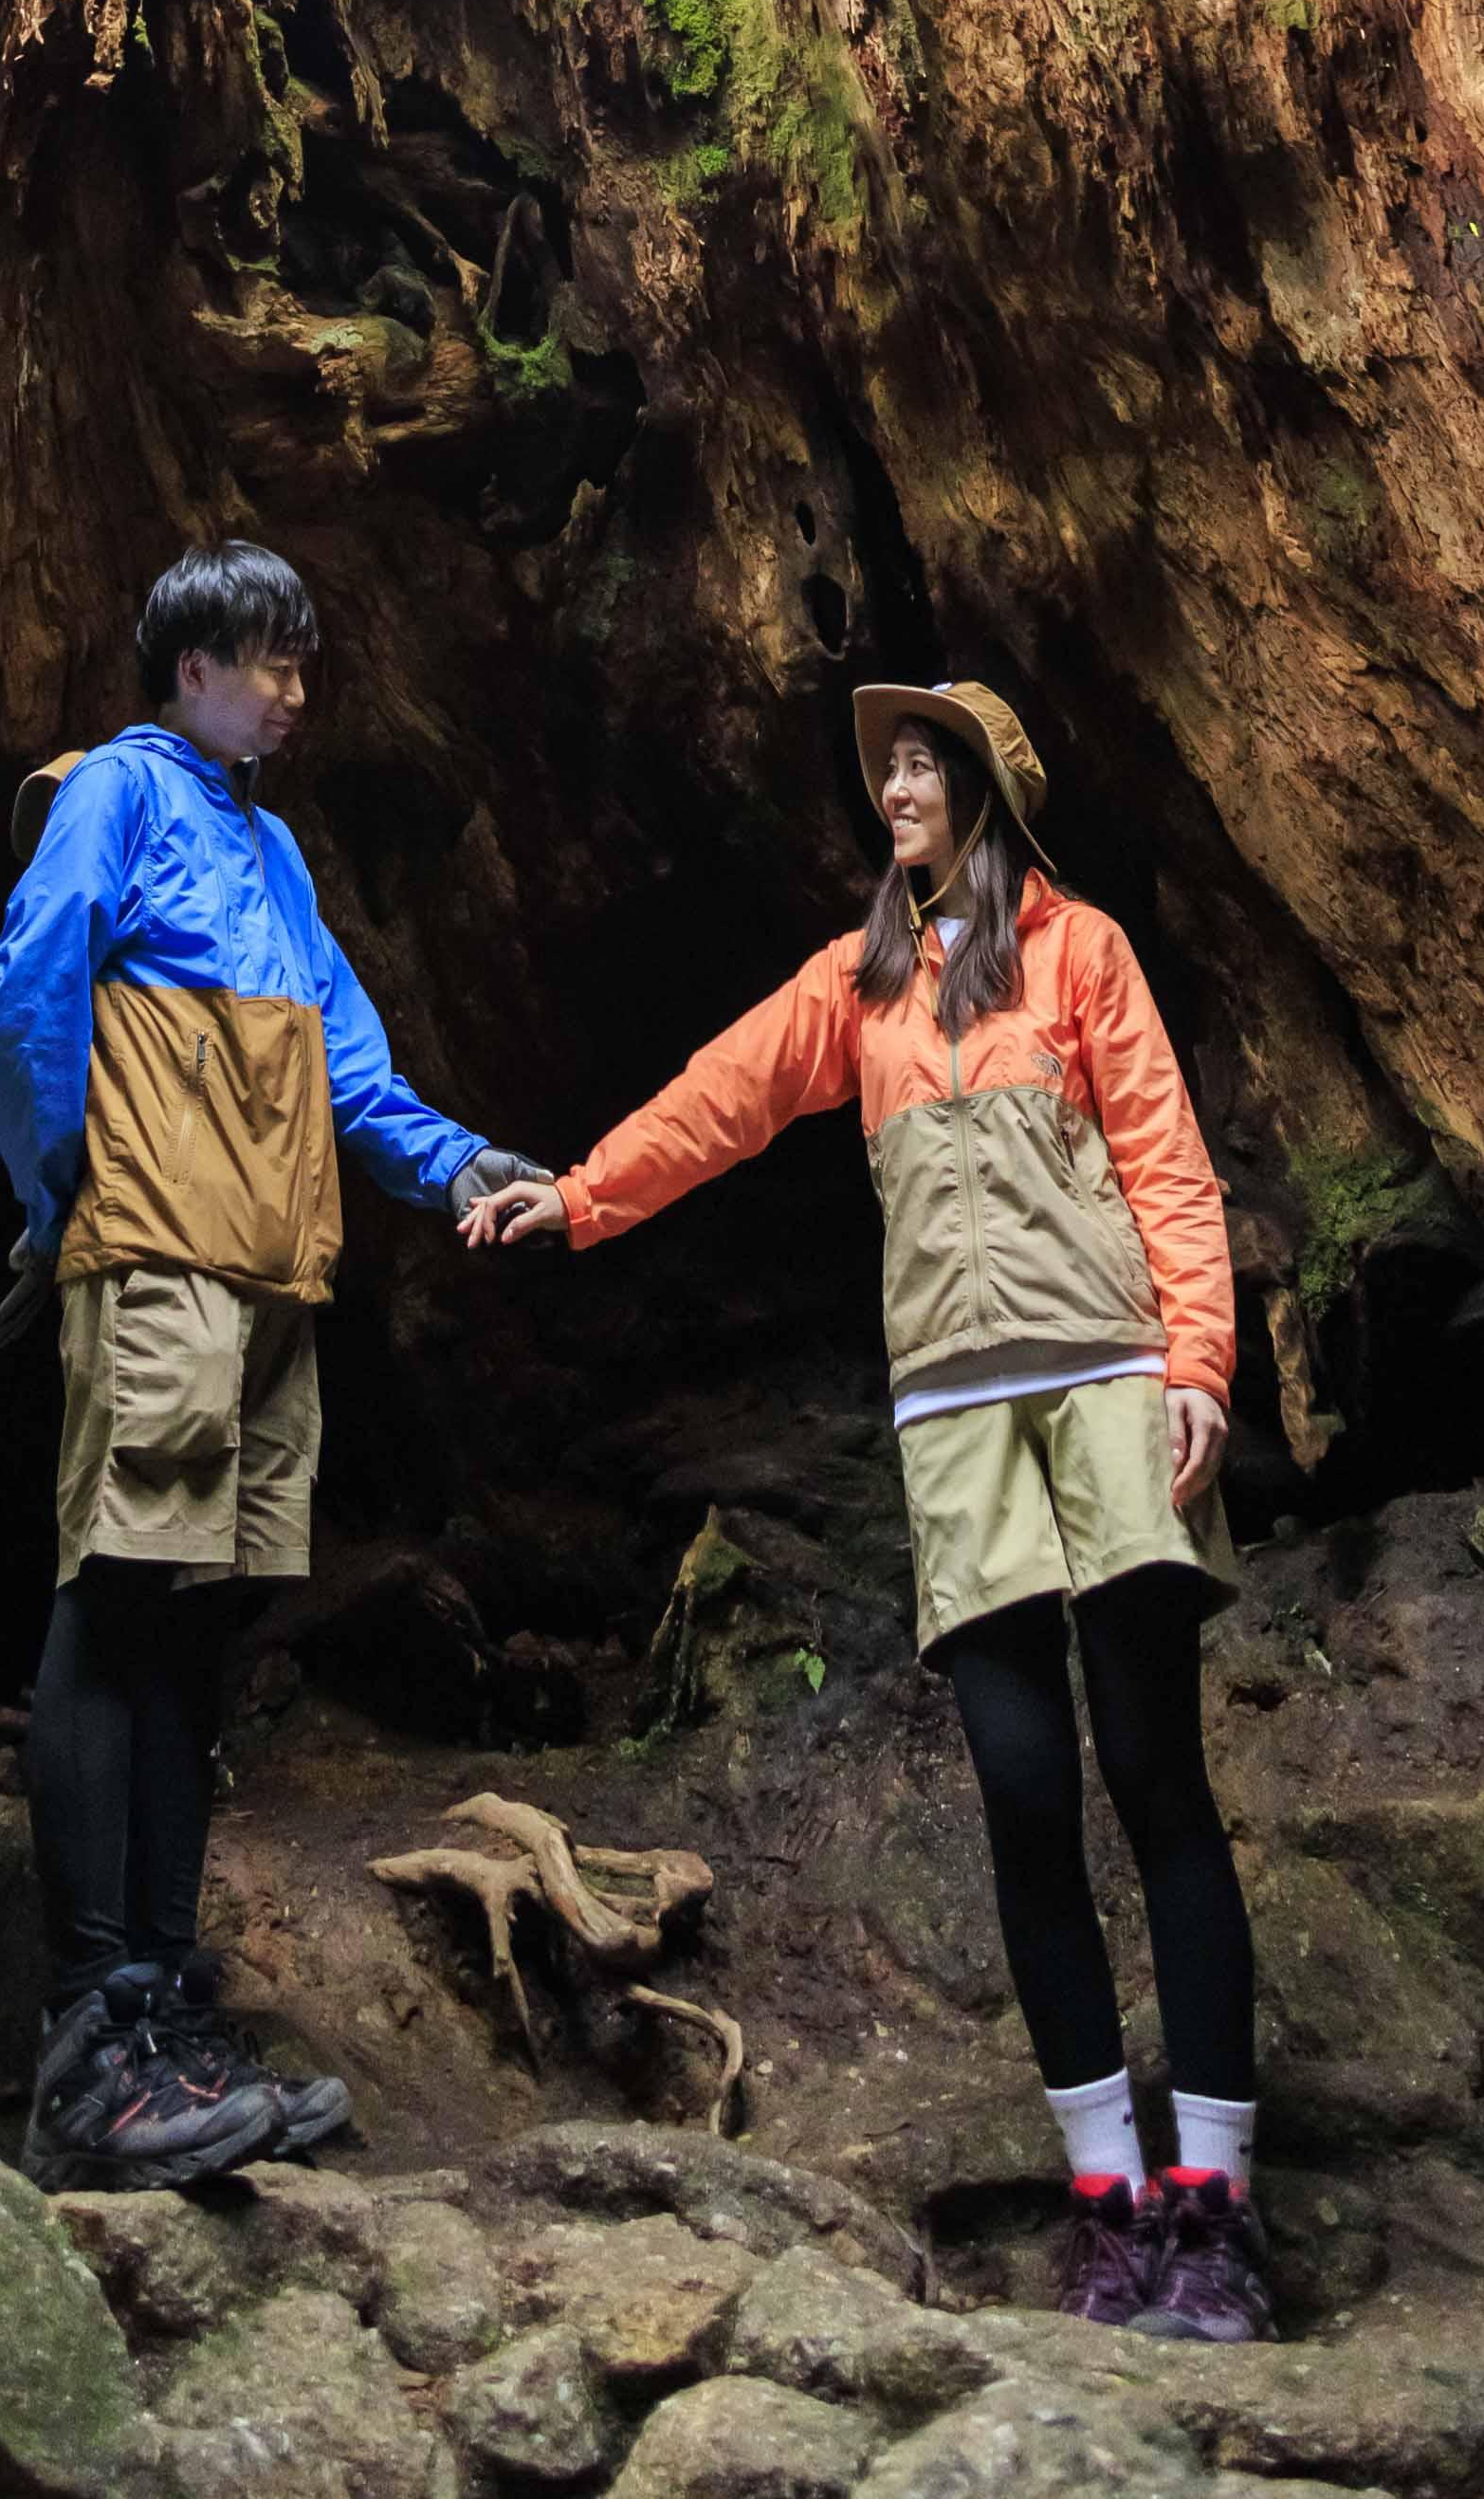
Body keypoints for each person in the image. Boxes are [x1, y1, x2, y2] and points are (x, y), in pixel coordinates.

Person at [462, 679, 1268, 2340]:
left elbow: (1167, 1161)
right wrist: (584, 1194)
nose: (891, 784)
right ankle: (1106, 2201)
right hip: (957, 1417)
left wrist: (1198, 1356)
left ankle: (1218, 2209)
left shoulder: (1082, 951)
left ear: (984, 787)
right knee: (1025, 1795)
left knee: (1154, 1776)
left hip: (1111, 1383)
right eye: (884, 764)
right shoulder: (865, 978)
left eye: (921, 762)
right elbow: (725, 1094)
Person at [0, 538, 540, 2191]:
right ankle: (90, 2039)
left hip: (266, 1286)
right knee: (117, 1599)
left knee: (192, 1625)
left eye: (302, 661)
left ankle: (161, 2008)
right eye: (266, 660)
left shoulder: (270, 850)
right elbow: (25, 1000)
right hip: (158, 1262)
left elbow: (349, 1072)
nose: (295, 690)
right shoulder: (120, 794)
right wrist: (72, 1188)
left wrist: (462, 1169)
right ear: (189, 669)